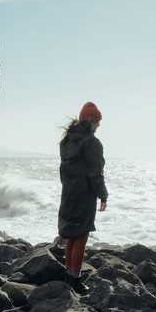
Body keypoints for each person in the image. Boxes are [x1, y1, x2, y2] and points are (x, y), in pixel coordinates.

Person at [58, 101, 108, 294]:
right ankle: (74, 279)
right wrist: (102, 195)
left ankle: (68, 274)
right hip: (84, 194)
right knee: (81, 235)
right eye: (98, 120)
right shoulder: (92, 143)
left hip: (69, 192)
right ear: (90, 120)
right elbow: (95, 174)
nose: (99, 124)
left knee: (72, 234)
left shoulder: (67, 140)